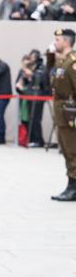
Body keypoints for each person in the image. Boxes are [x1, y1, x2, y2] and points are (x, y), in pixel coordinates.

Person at [49, 28, 76, 201]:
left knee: (73, 150)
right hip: (61, 110)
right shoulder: (61, 61)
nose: (55, 43)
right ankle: (71, 184)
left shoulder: (72, 62)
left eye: (58, 40)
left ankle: (73, 187)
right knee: (66, 149)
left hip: (70, 111)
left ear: (67, 41)